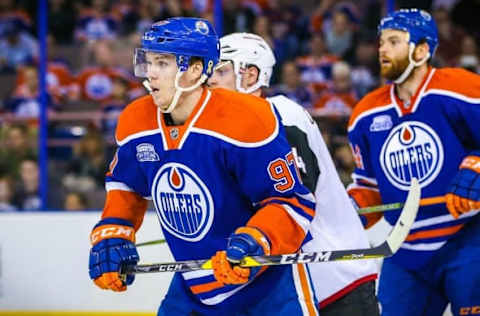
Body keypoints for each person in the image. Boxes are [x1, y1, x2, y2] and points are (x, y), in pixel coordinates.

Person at [88, 17, 319, 315]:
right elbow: (127, 184)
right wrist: (114, 230)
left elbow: (291, 203)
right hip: (193, 284)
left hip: (268, 287)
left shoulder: (249, 119)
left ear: (196, 69)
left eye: (163, 63)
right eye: (148, 62)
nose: (151, 74)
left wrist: (255, 241)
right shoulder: (135, 120)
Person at [207, 32, 379, 315]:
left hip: (336, 278)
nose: (210, 80)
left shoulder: (282, 115)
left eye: (221, 71)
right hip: (292, 289)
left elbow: (293, 198)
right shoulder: (227, 130)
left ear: (250, 76)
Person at [347, 8, 480, 316]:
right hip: (404, 248)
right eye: (381, 42)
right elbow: (368, 187)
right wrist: (350, 213)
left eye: (394, 41)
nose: (382, 49)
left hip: (468, 238)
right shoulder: (365, 114)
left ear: (421, 50)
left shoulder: (461, 88)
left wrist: (476, 164)